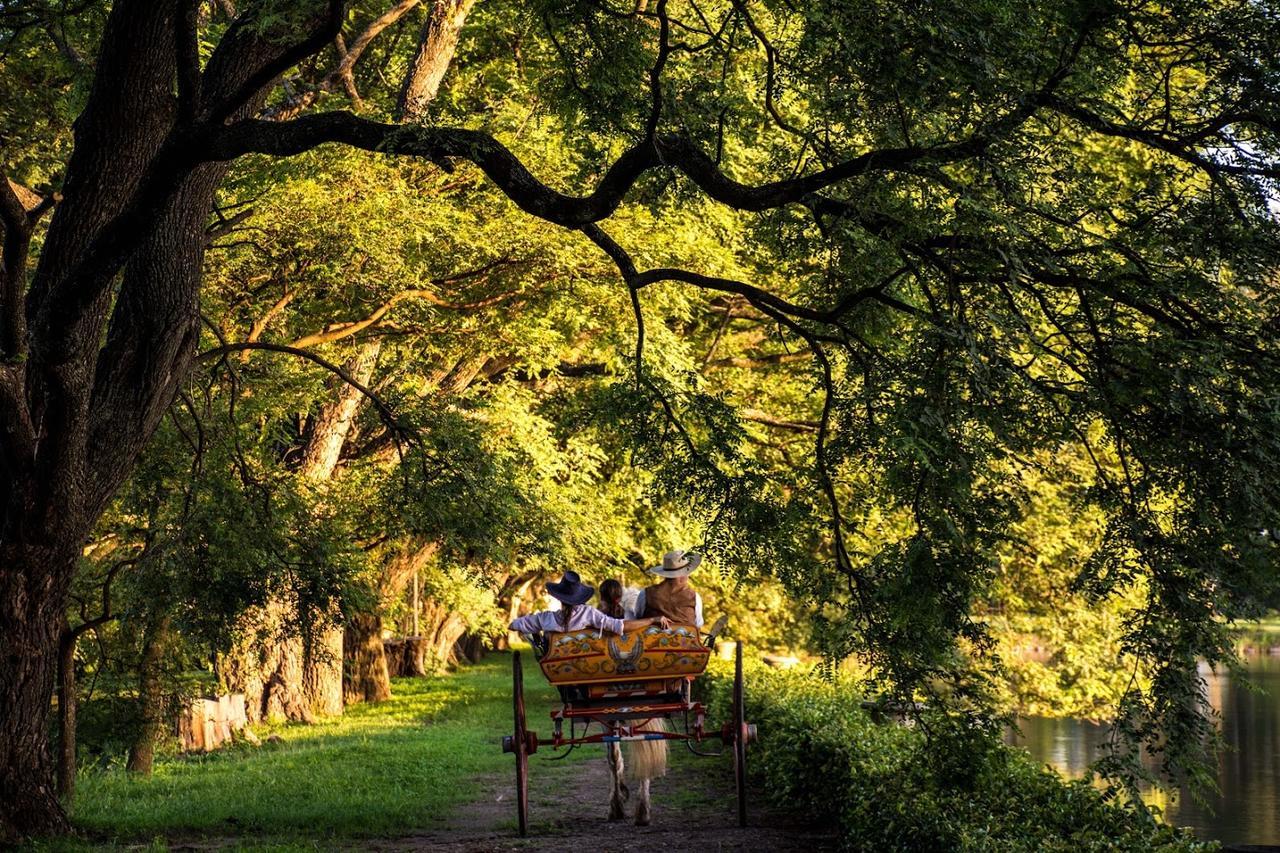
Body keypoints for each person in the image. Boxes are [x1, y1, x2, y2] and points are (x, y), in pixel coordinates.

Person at [509, 570, 669, 637]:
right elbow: (619, 626)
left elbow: (515, 625)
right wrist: (651, 620)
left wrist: (517, 625)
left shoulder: (546, 619)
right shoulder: (589, 614)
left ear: (559, 598)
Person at [635, 549, 703, 627]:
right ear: (682, 576)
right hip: (685, 638)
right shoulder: (695, 597)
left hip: (652, 638)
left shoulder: (646, 593)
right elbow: (698, 624)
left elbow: (638, 618)